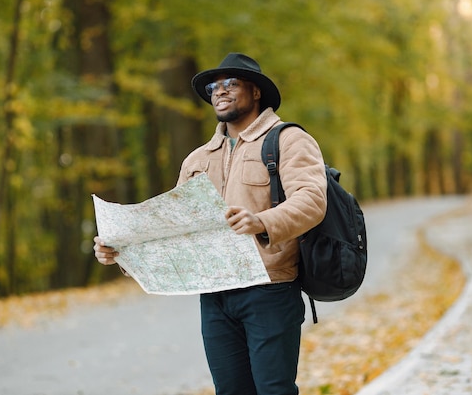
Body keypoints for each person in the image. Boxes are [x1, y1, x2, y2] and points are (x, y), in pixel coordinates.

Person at [94, 52, 327, 395]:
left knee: (273, 390)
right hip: (215, 296)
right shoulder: (197, 160)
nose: (220, 90)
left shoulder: (288, 140)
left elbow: (312, 202)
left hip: (270, 288)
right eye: (214, 86)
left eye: (231, 83)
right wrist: (122, 253)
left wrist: (260, 221)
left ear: (256, 91)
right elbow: (173, 233)